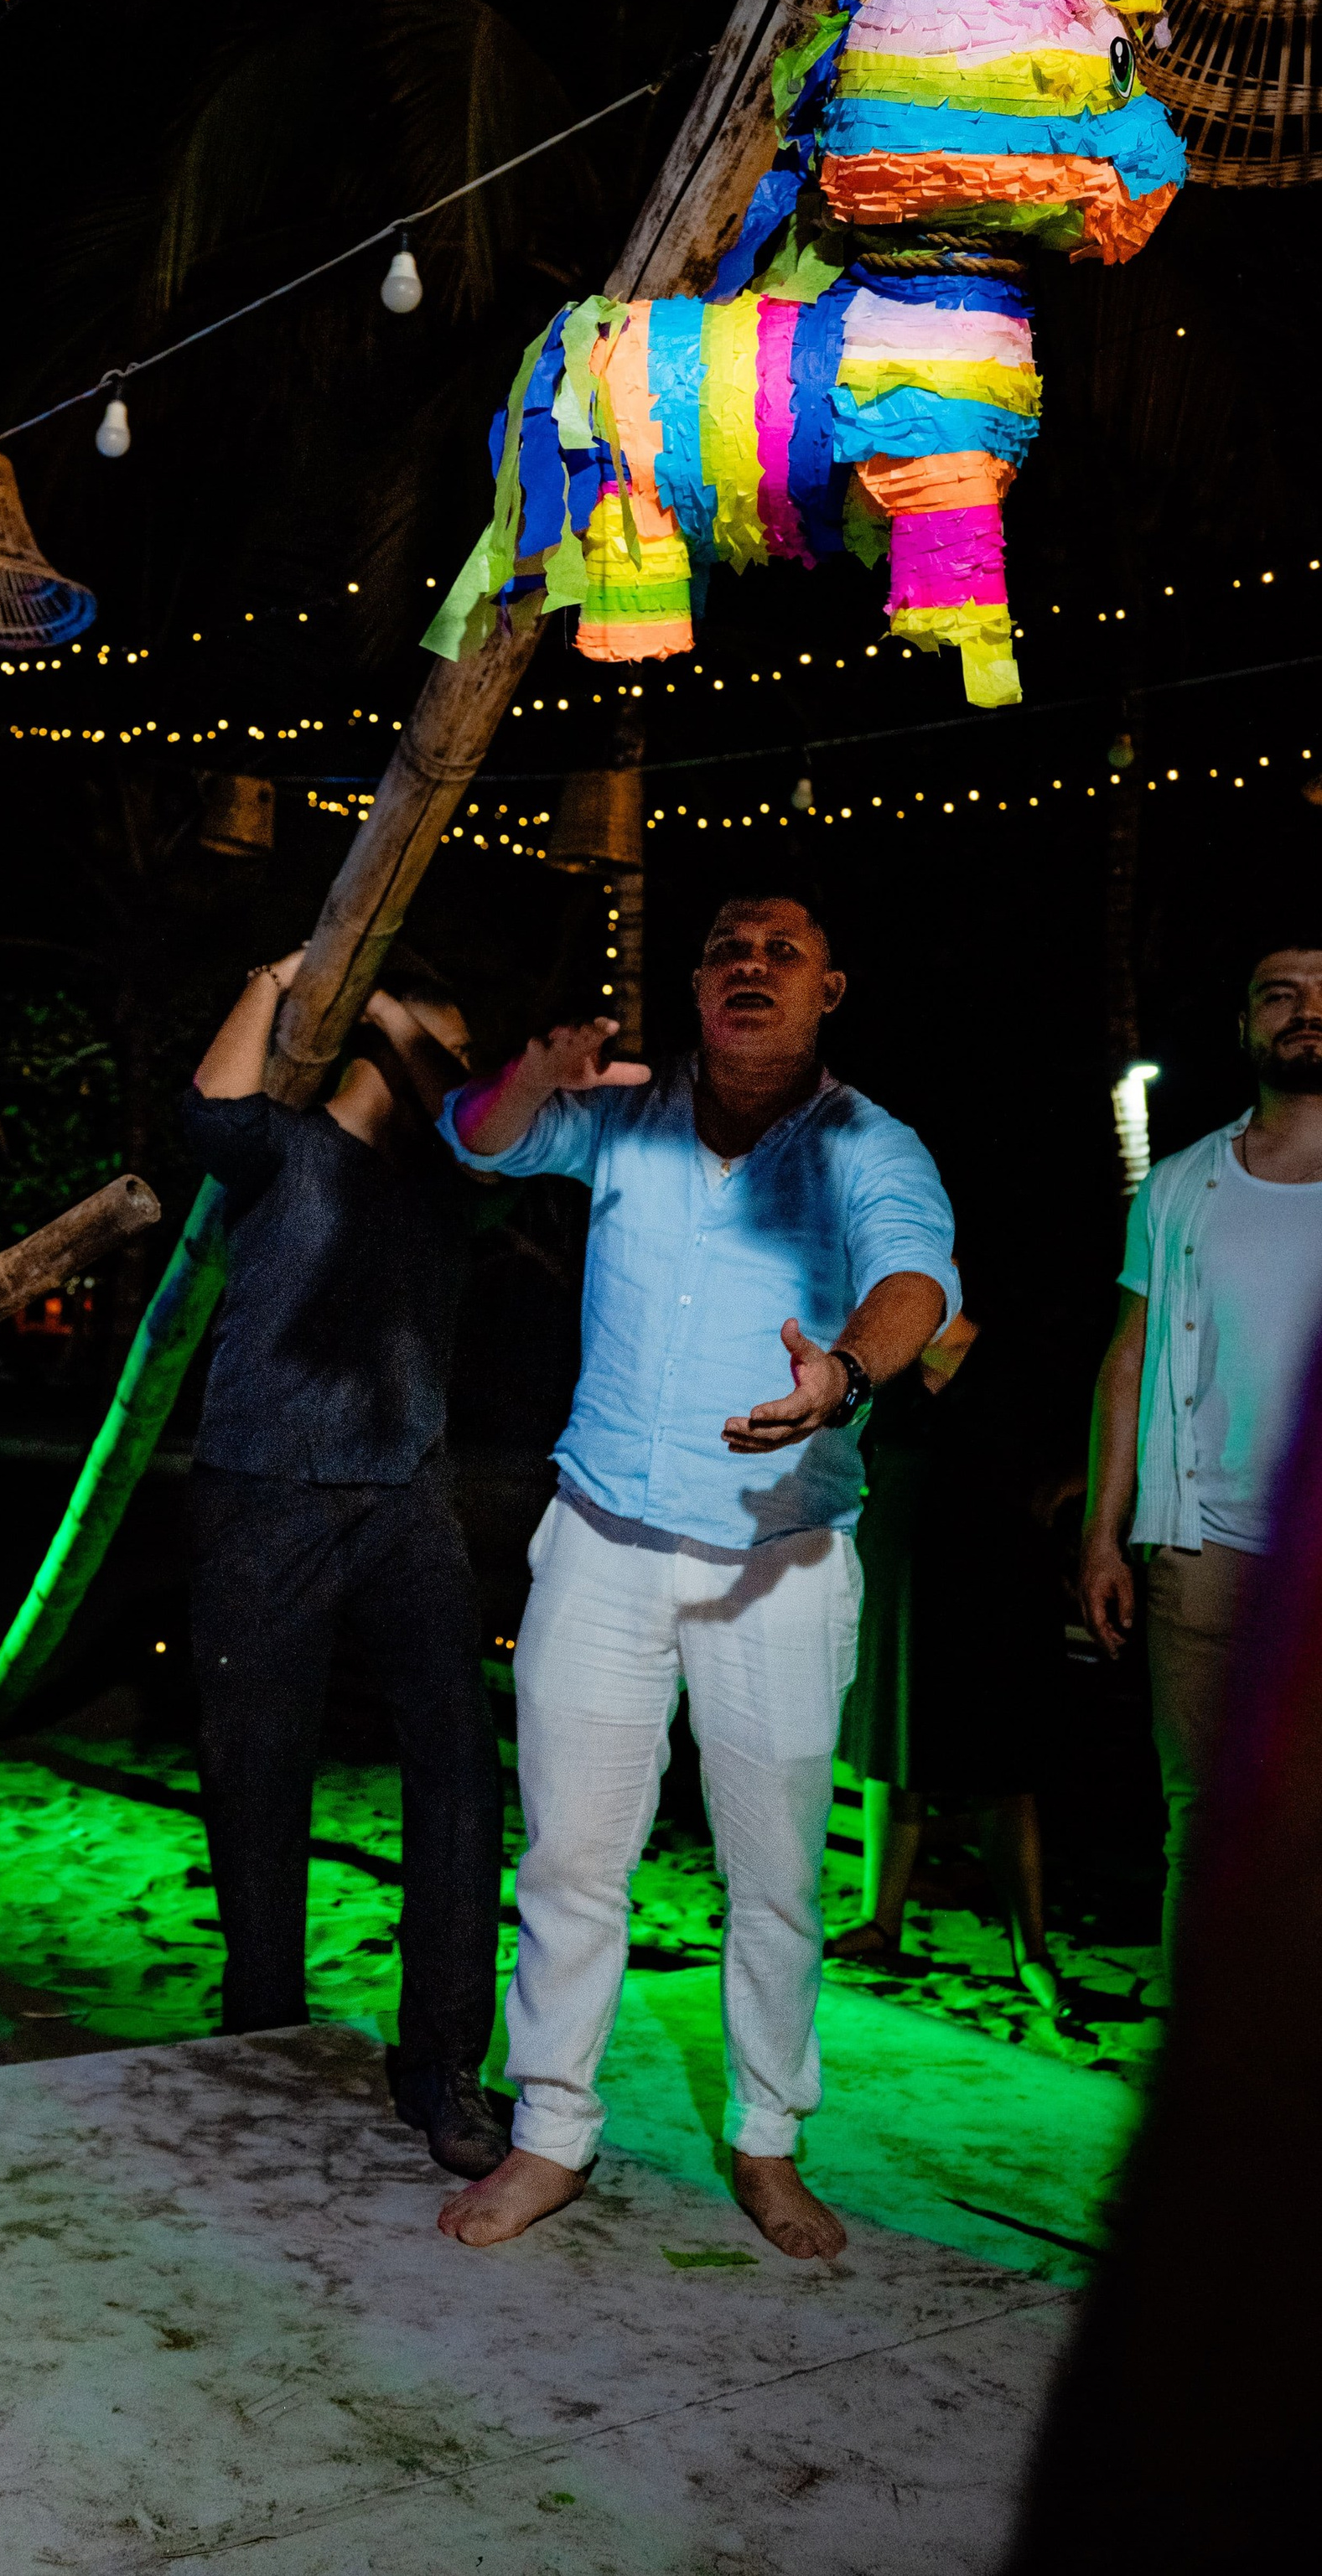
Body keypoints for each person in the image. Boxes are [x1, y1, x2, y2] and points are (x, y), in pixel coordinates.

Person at [433, 889, 957, 2261]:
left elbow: (918, 1281)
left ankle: (768, 2139)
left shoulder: (867, 1141)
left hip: (776, 1562)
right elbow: (477, 1142)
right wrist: (523, 1080)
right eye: (728, 949)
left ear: (828, 991)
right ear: (695, 983)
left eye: (786, 950)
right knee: (571, 1858)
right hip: (603, 1538)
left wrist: (841, 1375)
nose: (752, 967)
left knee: (776, 1872)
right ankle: (551, 2131)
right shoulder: (625, 1112)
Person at [181, 944, 506, 2176]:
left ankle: (445, 2065)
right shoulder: (286, 1146)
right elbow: (210, 1115)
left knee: (461, 1774)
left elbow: (478, 1124)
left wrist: (388, 1005)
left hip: (405, 1499)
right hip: (261, 1491)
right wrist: (282, 977)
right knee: (257, 1780)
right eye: (447, 1041)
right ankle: (262, 2033)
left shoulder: (459, 1174)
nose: (460, 1069)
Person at [1080, 937, 1322, 1967]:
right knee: (1202, 1824)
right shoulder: (1179, 1185)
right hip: (1201, 1549)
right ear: (1245, 1025)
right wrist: (1102, 1535)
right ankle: (1210, 2099)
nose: (1304, 1010)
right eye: (1280, 994)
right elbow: (1126, 1359)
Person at [831, 1293, 1072, 2007]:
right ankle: (882, 1919)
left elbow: (1068, 1452)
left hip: (993, 1578)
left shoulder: (1013, 1361)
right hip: (899, 1576)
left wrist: (1057, 1515)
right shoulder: (891, 1367)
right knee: (892, 1747)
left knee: (1003, 1764)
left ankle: (1030, 1944)